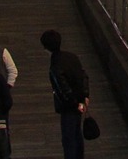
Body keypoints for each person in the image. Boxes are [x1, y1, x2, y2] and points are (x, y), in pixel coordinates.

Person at [41, 29, 91, 159]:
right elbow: (84, 76)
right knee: (76, 135)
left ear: (45, 47)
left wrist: (75, 104)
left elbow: (62, 89)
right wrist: (85, 96)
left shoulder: (55, 64)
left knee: (69, 139)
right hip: (80, 101)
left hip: (70, 107)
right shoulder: (72, 56)